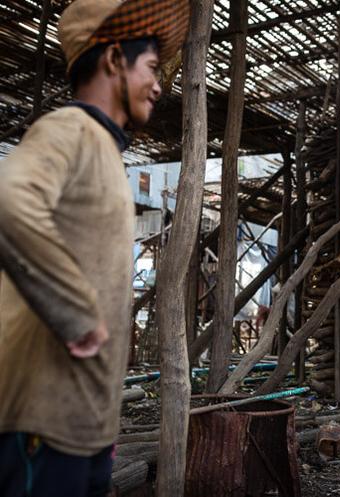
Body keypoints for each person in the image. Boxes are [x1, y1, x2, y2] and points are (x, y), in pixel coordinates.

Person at [0, 1, 188, 495]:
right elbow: (10, 201)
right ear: (111, 61)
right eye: (150, 68)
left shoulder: (106, 149)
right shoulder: (70, 129)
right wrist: (76, 313)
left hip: (85, 424)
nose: (159, 84)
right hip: (43, 420)